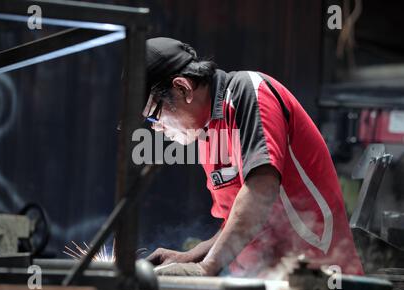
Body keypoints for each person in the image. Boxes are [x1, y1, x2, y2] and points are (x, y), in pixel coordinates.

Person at [143, 37, 363, 277]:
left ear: (183, 88)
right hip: (266, 280)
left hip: (317, 277)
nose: (155, 128)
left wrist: (205, 268)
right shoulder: (208, 133)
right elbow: (243, 223)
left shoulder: (249, 92)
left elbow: (261, 190)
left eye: (153, 116)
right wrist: (191, 256)